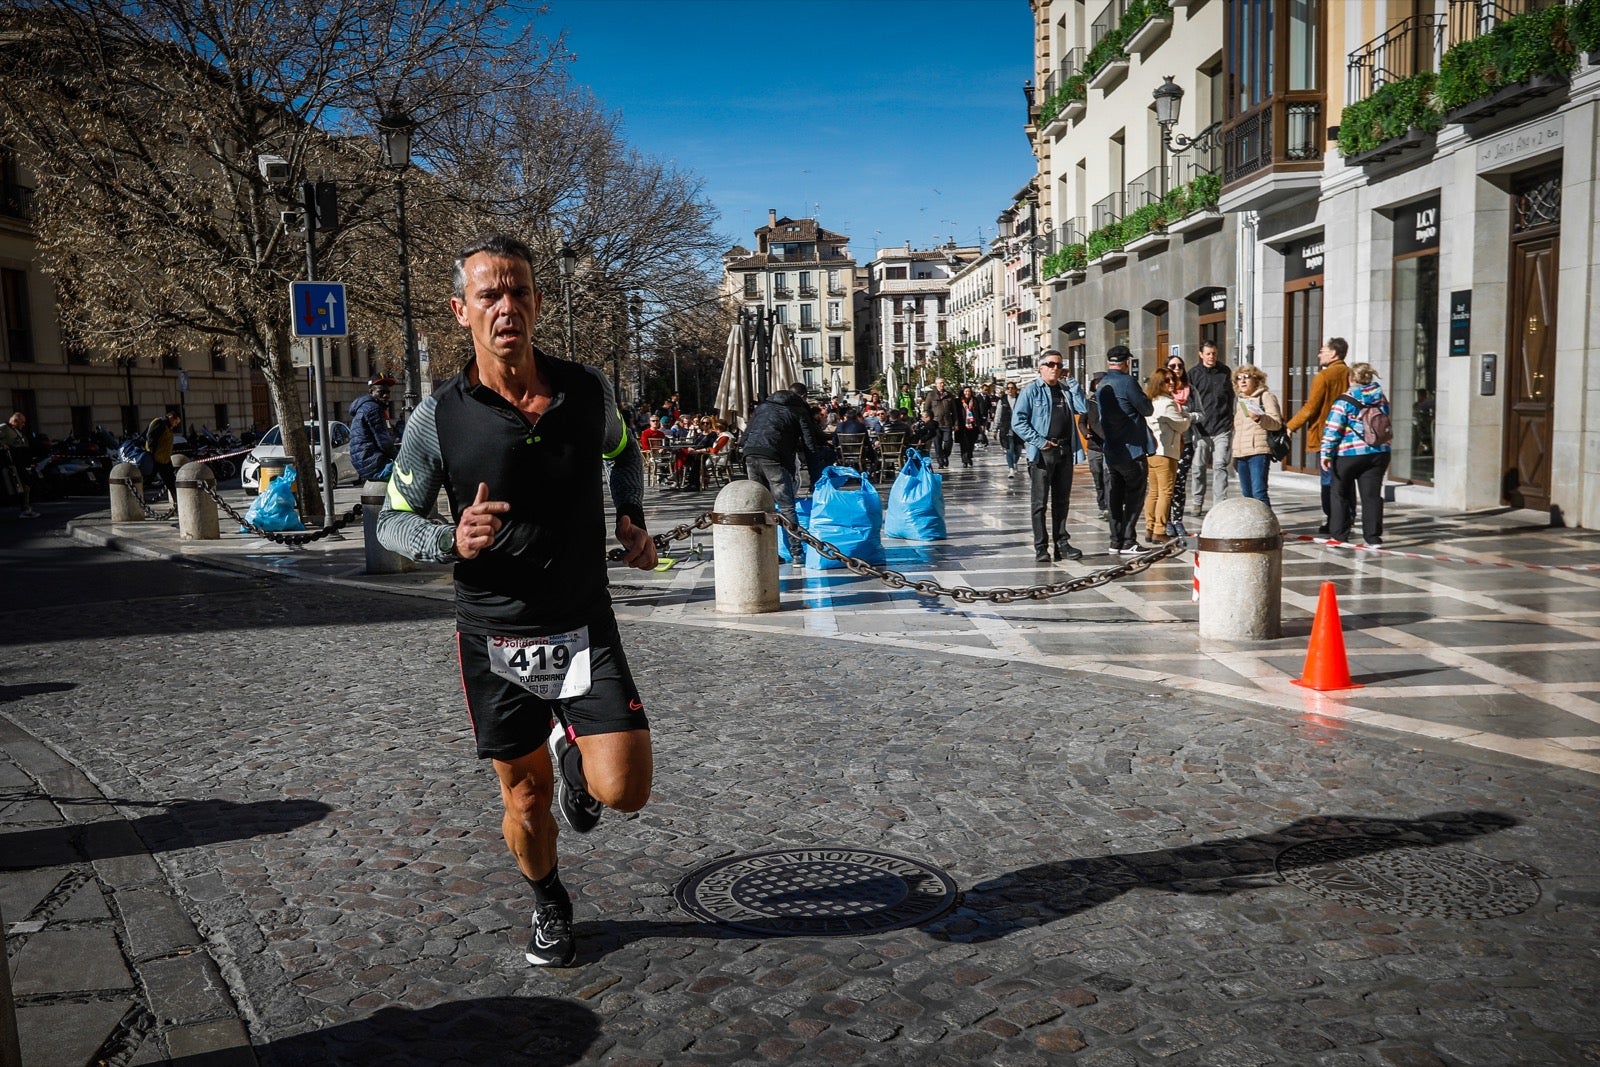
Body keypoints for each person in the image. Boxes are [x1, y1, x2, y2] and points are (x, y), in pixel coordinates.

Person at [376, 233, 656, 969]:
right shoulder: (436, 419)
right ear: (460, 310)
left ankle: (577, 762)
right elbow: (392, 519)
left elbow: (623, 449)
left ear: (538, 301)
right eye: (489, 295)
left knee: (625, 788)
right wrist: (450, 540)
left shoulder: (585, 390)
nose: (507, 307)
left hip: (582, 621)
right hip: (496, 636)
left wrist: (631, 515)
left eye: (519, 291)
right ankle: (549, 899)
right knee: (524, 801)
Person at [1011, 348, 1086, 563]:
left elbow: (1082, 407)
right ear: (1041, 368)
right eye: (1051, 364)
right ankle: (1041, 546)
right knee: (1040, 503)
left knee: (1062, 500)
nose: (1056, 369)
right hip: (1043, 453)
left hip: (1065, 450)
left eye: (1059, 365)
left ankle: (1062, 543)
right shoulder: (1031, 391)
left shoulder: (1065, 390)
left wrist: (1072, 383)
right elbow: (1018, 422)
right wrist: (1040, 442)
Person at [741, 381, 825, 561]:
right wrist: (815, 480)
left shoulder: (764, 407)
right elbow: (810, 446)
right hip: (774, 457)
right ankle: (796, 553)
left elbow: (745, 436)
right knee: (786, 505)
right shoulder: (798, 410)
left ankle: (764, 553)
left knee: (759, 505)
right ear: (803, 396)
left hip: (750, 454)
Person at [1286, 337, 1354, 536]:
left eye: (1322, 350)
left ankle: (1333, 520)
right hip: (1350, 438)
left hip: (1327, 436)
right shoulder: (1350, 374)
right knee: (1346, 481)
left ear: (1333, 353)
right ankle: (1347, 518)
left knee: (1329, 482)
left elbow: (1311, 407)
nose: (1319, 354)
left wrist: (1290, 426)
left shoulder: (1323, 377)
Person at [1321, 362, 1392, 547]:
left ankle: (1339, 535)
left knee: (1340, 493)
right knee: (1372, 496)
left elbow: (1333, 429)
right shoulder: (1381, 398)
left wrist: (1326, 454)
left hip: (1348, 453)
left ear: (1351, 378)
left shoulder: (1344, 400)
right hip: (1379, 452)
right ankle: (1373, 537)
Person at [1096, 346, 1155, 554]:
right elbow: (1147, 409)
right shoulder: (1127, 382)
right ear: (1127, 362)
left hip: (1111, 450)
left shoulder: (1102, 384)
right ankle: (1129, 540)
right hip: (1132, 449)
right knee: (1135, 494)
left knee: (1115, 495)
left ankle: (1115, 540)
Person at [1142, 368, 1195, 544]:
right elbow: (1181, 425)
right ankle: (1159, 530)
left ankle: (1149, 528)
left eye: (1172, 379)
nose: (1171, 382)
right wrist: (1186, 416)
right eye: (1166, 380)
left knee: (1154, 492)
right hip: (1166, 452)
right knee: (1166, 492)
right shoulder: (1167, 403)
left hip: (1151, 452)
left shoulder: (1150, 402)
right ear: (1159, 383)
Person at [1185, 340, 1234, 520]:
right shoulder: (1193, 374)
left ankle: (1219, 504)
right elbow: (1189, 400)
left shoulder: (1225, 372)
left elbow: (1230, 397)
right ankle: (1197, 502)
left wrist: (1230, 418)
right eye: (1208, 354)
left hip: (1222, 426)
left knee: (1220, 465)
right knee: (1198, 467)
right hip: (1201, 429)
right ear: (1201, 354)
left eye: (1214, 353)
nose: (1211, 357)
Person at [1231, 364, 1285, 508]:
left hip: (1258, 452)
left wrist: (1259, 418)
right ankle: (1253, 526)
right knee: (1247, 494)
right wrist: (1235, 453)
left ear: (1257, 380)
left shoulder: (1266, 397)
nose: (1242, 381)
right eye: (1239, 378)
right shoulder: (1240, 401)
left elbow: (1276, 423)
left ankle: (1269, 525)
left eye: (1246, 377)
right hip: (1241, 453)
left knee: (1259, 493)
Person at [1164, 356, 1195, 536]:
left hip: (1185, 442)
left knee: (1179, 483)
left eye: (1180, 366)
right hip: (1166, 443)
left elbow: (1201, 413)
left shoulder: (1191, 391)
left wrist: (1187, 416)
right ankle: (1166, 520)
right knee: (1167, 483)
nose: (1176, 368)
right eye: (1172, 366)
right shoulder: (1163, 390)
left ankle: (1178, 520)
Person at [349, 375, 400, 481]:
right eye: (381, 392)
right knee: (416, 472)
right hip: (374, 465)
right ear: (371, 392)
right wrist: (400, 458)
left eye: (388, 392)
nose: (386, 395)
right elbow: (384, 442)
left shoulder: (366, 407)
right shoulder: (373, 409)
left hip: (366, 463)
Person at [1078, 373, 1109, 519]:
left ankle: (1110, 507)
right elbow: (1081, 422)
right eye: (1097, 382)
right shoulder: (1089, 403)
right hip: (1094, 446)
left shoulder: (1113, 401)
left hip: (1110, 446)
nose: (1100, 384)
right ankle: (1102, 505)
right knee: (1098, 477)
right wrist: (1085, 433)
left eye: (1103, 381)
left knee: (1108, 477)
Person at [1, 412, 39, 519]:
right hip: (11, 463)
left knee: (26, 485)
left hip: (20, 462)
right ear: (15, 421)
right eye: (22, 422)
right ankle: (25, 509)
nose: (23, 424)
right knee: (23, 485)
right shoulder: (4, 428)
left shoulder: (16, 431)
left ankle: (26, 508)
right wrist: (3, 446)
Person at [145, 406, 182, 503]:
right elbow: (151, 437)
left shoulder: (167, 426)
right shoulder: (159, 422)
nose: (175, 425)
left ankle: (177, 503)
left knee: (171, 482)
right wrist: (153, 454)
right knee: (148, 480)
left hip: (164, 459)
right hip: (156, 458)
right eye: (176, 422)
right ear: (171, 417)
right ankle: (139, 499)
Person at [921, 377, 960, 469]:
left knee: (948, 442)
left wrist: (956, 422)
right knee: (937, 444)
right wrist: (927, 422)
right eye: (940, 383)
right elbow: (926, 409)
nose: (942, 385)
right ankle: (940, 461)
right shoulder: (931, 395)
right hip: (935, 424)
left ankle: (945, 455)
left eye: (943, 383)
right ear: (936, 384)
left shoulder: (949, 395)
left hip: (947, 422)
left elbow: (954, 411)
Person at [994, 381, 1021, 477]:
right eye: (1008, 388)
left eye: (1012, 388)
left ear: (1015, 389)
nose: (1010, 390)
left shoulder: (1020, 399)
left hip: (1019, 428)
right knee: (1009, 449)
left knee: (1018, 450)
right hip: (1007, 428)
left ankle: (1015, 462)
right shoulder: (1002, 400)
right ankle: (1011, 469)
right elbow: (998, 415)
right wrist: (995, 428)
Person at [954, 386, 983, 468]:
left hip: (973, 425)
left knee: (971, 443)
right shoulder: (958, 402)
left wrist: (980, 424)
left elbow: (979, 412)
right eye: (965, 391)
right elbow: (955, 413)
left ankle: (969, 456)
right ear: (963, 392)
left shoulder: (975, 401)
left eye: (969, 391)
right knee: (963, 443)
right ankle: (965, 460)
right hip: (962, 425)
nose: (967, 393)